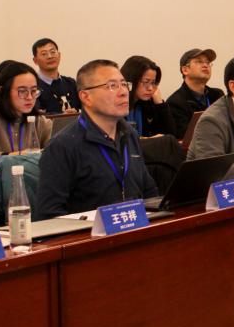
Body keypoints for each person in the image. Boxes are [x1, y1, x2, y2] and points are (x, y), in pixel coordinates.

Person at [36, 60, 158, 218]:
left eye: (124, 84)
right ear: (86, 97)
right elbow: (48, 214)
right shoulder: (63, 146)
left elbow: (149, 192)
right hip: (90, 231)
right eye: (112, 86)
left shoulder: (129, 134)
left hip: (133, 224)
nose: (123, 92)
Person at [0, 61, 53, 158]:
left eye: (34, 91)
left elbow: (54, 151)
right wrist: (19, 156)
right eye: (22, 91)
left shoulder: (39, 120)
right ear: (3, 91)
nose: (30, 97)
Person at [166, 48, 225, 138]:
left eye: (208, 62)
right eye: (199, 62)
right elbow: (184, 137)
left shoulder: (217, 95)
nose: (205, 65)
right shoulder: (175, 102)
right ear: (185, 70)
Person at [120, 55, 174, 137]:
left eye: (153, 83)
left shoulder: (148, 103)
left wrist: (160, 104)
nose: (150, 88)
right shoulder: (117, 105)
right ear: (131, 80)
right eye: (146, 82)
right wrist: (148, 140)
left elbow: (171, 135)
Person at [32, 38, 81, 113]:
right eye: (44, 54)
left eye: (53, 52)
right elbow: (35, 114)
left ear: (59, 55)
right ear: (35, 60)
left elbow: (86, 108)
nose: (50, 56)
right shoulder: (32, 86)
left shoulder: (71, 83)